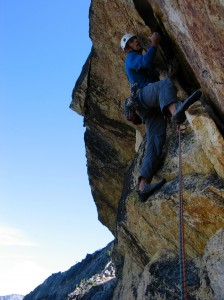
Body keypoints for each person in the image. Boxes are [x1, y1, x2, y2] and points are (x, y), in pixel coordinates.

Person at [120, 32, 202, 202]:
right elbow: (145, 63)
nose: (135, 41)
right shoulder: (131, 58)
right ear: (127, 48)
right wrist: (154, 44)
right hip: (142, 98)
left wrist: (170, 75)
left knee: (155, 141)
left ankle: (143, 186)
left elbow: (152, 79)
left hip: (149, 107)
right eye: (131, 41)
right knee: (164, 84)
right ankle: (175, 111)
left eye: (135, 39)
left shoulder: (139, 62)